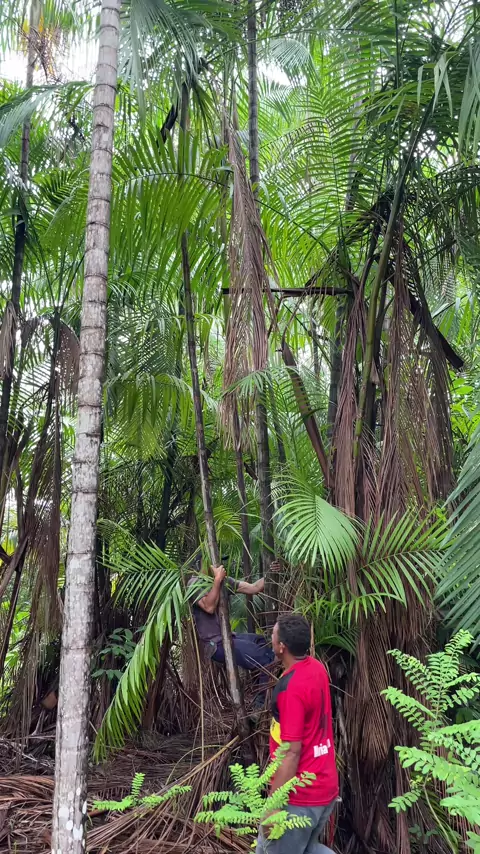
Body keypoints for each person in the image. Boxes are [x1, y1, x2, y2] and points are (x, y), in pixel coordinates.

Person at [256, 614, 339, 854]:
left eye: (273, 634)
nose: (270, 638)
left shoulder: (291, 689)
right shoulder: (316, 668)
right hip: (325, 784)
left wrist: (274, 806)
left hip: (300, 795)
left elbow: (292, 752)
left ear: (281, 647)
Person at [187, 562, 277, 707]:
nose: (218, 564)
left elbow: (254, 588)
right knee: (264, 659)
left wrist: (270, 572)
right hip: (215, 644)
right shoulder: (194, 583)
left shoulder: (224, 581)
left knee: (263, 643)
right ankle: (260, 707)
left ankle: (258, 693)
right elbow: (209, 607)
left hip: (229, 636)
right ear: (202, 563)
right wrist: (217, 580)